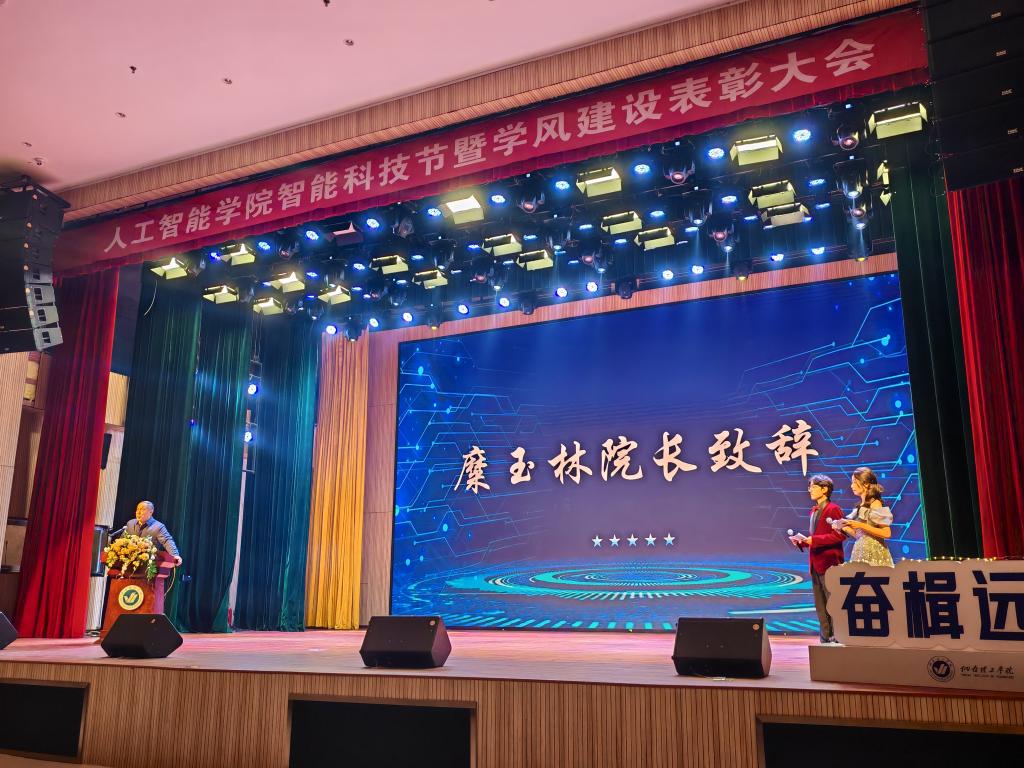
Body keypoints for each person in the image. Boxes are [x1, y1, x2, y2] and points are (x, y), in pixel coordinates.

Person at [789, 474, 846, 644]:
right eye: (810, 487)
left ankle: (837, 636)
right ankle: (825, 638)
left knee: (833, 603)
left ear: (824, 489)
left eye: (813, 487)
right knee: (820, 604)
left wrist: (814, 540)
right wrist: (802, 542)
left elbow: (840, 535)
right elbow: (816, 538)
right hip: (815, 563)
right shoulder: (813, 511)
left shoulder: (833, 509)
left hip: (830, 563)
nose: (810, 490)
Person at [833, 467, 894, 567]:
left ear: (865, 484)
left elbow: (887, 533)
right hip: (861, 552)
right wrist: (844, 527)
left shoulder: (876, 503)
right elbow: (861, 536)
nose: (851, 486)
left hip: (875, 554)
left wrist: (860, 525)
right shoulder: (859, 506)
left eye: (854, 482)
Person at [125, 500, 183, 567]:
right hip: (128, 561)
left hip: (147, 564)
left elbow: (167, 540)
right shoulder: (130, 523)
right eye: (137, 509)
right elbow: (123, 540)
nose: (138, 512)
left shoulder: (158, 527)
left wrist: (175, 555)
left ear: (151, 512)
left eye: (142, 509)